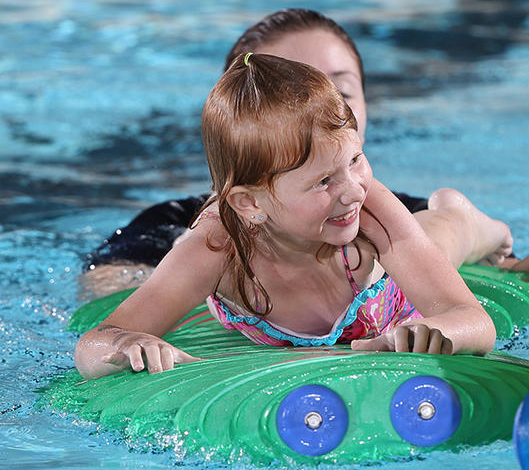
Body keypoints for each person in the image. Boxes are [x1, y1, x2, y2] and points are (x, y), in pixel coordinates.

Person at [75, 53, 504, 379]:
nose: (353, 190)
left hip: (386, 296)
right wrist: (129, 342)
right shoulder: (217, 247)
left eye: (356, 160)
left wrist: (438, 332)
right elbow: (95, 344)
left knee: (443, 236)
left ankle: (463, 213)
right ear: (249, 204)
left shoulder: (370, 208)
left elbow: (473, 320)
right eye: (322, 183)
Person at [81, 8, 515, 297]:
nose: (321, 111)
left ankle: (473, 219)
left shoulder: (386, 211)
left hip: (422, 241)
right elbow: (103, 288)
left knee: (434, 238)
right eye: (286, 102)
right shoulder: (181, 224)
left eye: (341, 92)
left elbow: (492, 280)